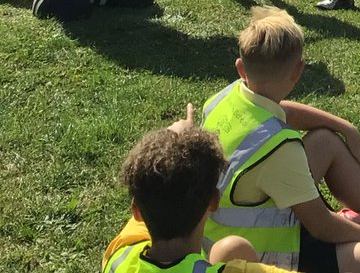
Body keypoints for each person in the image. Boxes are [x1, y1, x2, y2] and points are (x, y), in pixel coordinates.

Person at [200, 7, 360, 267]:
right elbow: (321, 225)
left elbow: (284, 111)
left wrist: (345, 127)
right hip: (258, 250)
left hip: (218, 234)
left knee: (324, 141)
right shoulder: (279, 146)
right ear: (298, 71)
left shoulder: (226, 96)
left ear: (240, 68)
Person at [102, 108, 285, 273]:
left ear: (136, 211)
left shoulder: (119, 258)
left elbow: (153, 191)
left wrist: (170, 139)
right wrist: (180, 137)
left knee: (233, 248)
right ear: (214, 201)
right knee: (237, 249)